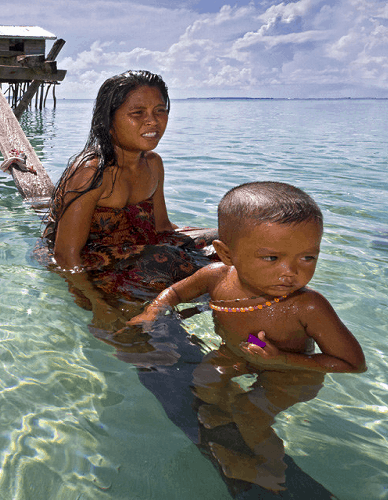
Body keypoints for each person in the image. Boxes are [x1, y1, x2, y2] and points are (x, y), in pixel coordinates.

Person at [129, 181, 366, 491]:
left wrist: (281, 358)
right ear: (227, 254)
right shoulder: (215, 276)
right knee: (204, 379)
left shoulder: (308, 305)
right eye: (271, 258)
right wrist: (153, 310)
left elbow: (352, 363)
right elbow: (176, 291)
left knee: (250, 413)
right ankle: (222, 414)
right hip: (241, 352)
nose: (290, 272)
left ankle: (270, 470)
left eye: (307, 258)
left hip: (291, 371)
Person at [39, 70, 215, 328]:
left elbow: (162, 227)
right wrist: (96, 303)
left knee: (232, 242)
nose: (153, 122)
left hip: (140, 246)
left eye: (160, 111)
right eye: (138, 113)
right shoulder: (91, 173)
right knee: (187, 269)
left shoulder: (153, 164)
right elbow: (66, 256)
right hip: (97, 261)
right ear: (108, 121)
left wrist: (208, 243)